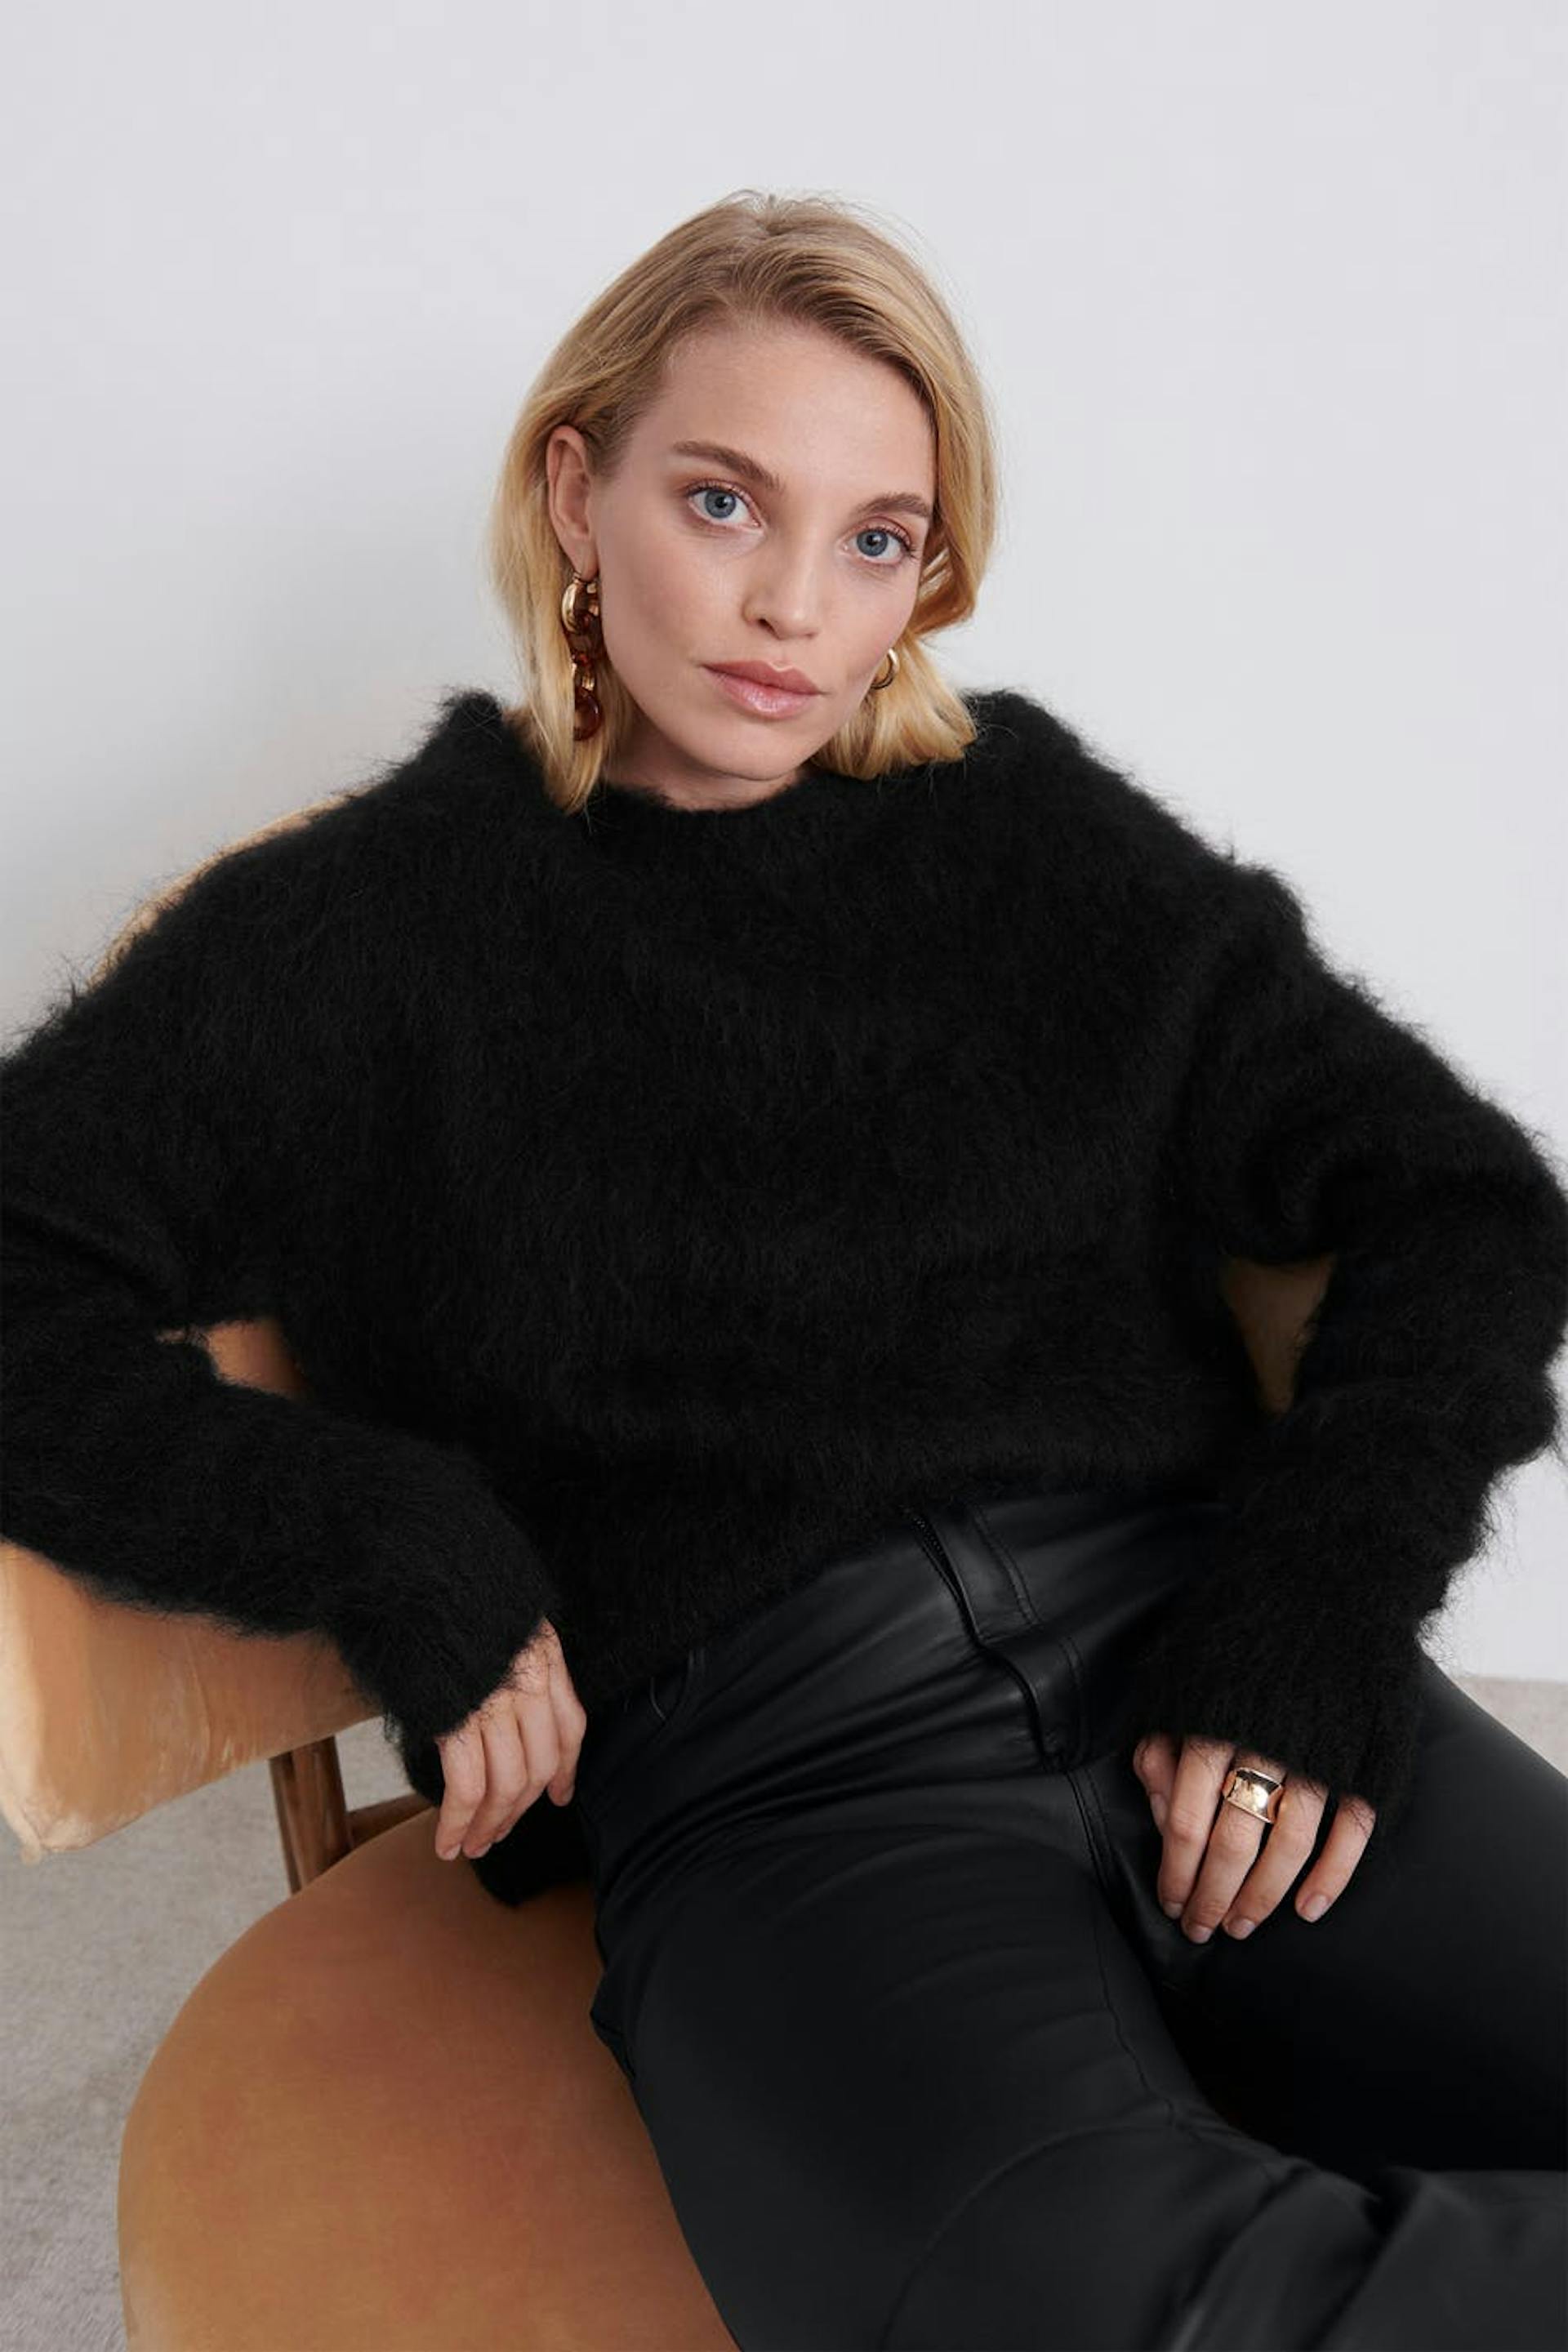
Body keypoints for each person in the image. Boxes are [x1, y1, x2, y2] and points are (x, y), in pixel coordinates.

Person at [3, 189, 1566, 2350]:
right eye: (724, 499)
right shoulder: (353, 942)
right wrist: (378, 1526)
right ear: (576, 492)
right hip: (782, 1784)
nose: (792, 608)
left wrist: (1313, 1606)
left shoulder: (1037, 846)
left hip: (1211, 1668)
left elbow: (1459, 1197)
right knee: (1120, 2308)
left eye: (877, 537)